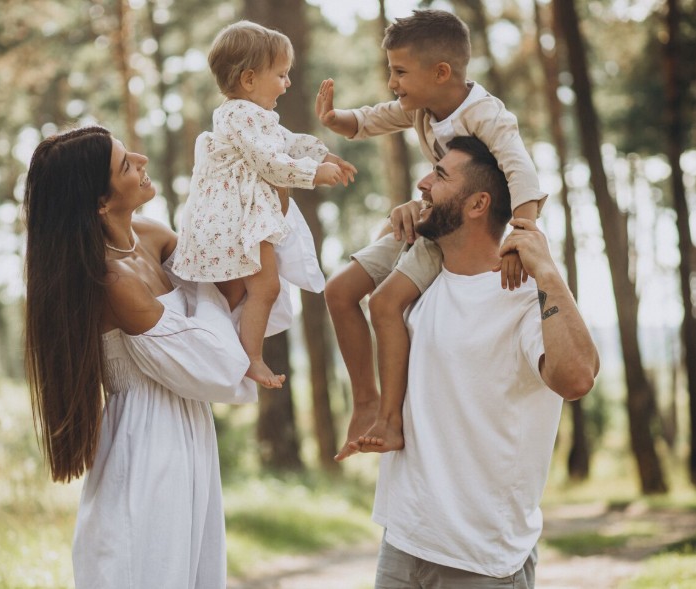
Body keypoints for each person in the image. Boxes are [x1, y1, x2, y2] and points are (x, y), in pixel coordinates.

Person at [24, 125, 265, 588]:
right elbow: (217, 366)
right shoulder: (113, 281)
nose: (142, 160)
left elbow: (236, 284)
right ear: (100, 202)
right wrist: (204, 292)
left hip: (190, 433)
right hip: (147, 446)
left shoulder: (151, 237)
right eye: (125, 165)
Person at [365, 136, 599, 587]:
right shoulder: (421, 281)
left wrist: (547, 272)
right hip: (404, 542)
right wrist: (393, 227)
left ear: (478, 204)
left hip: (484, 559)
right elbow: (362, 296)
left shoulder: (527, 296)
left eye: (440, 175)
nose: (423, 182)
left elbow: (577, 378)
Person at [317, 9, 547, 459]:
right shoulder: (421, 107)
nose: (392, 83)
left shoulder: (485, 114)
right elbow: (372, 119)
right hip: (428, 218)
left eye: (400, 72)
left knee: (384, 304)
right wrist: (333, 119)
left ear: (441, 72)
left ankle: (390, 420)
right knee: (339, 292)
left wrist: (520, 238)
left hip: (464, 229)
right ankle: (365, 402)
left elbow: (521, 169)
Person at [173, 20, 357, 389]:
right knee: (265, 288)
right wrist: (313, 173)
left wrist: (324, 155)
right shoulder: (239, 115)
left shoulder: (252, 116)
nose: (287, 83)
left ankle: (234, 351)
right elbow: (270, 161)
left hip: (243, 219)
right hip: (236, 222)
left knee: (254, 291)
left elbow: (287, 141)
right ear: (249, 79)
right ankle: (250, 358)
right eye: (282, 75)